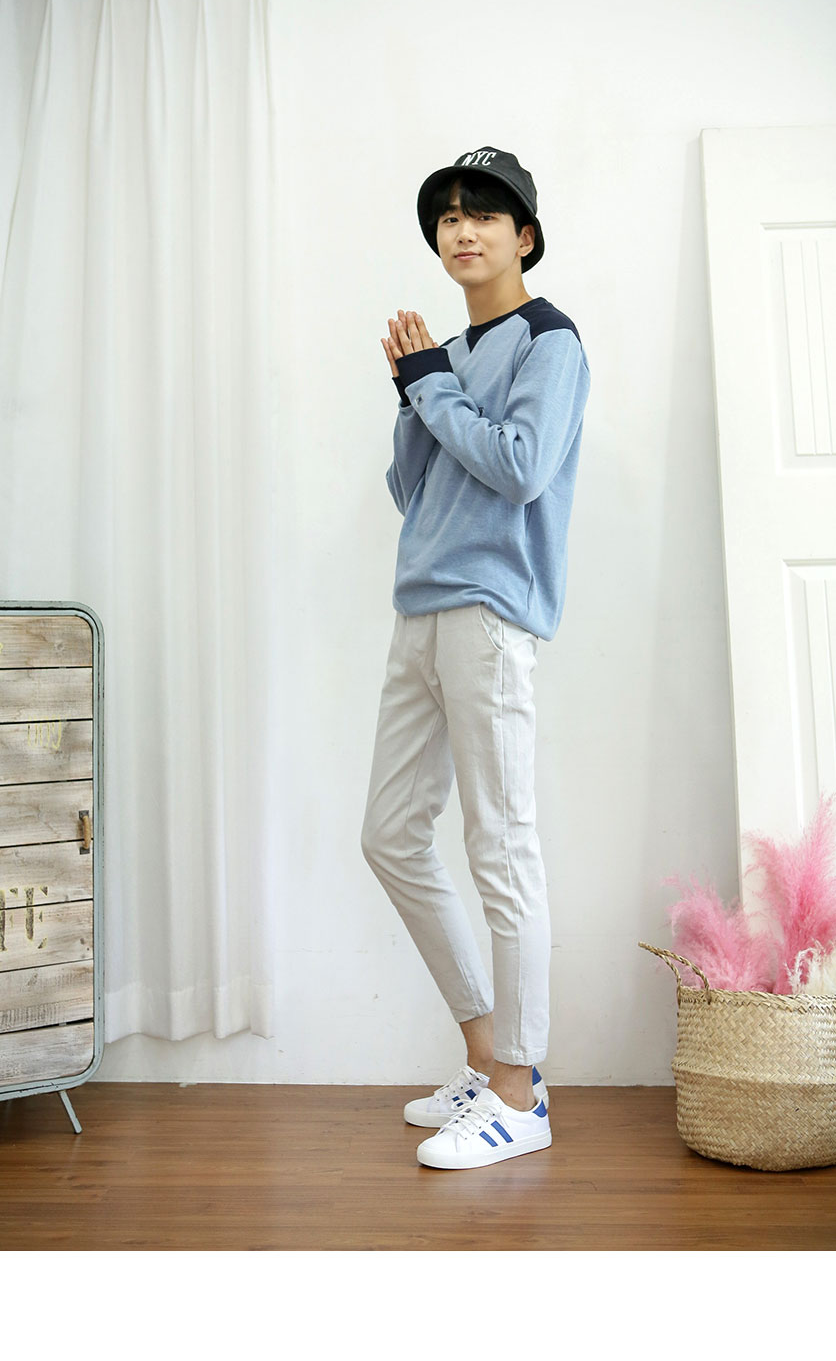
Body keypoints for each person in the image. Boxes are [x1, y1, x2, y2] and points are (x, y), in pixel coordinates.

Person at [360, 147, 591, 1170]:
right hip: (419, 607)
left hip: (490, 614)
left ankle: (520, 1091)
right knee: (389, 834)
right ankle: (485, 1050)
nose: (462, 229)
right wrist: (413, 391)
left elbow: (520, 467)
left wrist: (437, 390)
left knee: (501, 845)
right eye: (448, 216)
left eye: (484, 214)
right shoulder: (450, 350)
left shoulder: (551, 341)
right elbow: (413, 490)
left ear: (523, 236)